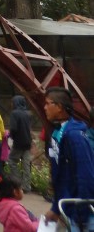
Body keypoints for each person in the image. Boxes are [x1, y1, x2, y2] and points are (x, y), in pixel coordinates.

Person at [43, 87, 94, 231]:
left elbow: (85, 175)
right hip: (70, 209)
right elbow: (59, 177)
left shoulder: (75, 136)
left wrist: (82, 215)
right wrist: (56, 208)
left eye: (48, 103)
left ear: (59, 107)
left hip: (83, 215)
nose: (44, 107)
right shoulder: (57, 133)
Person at [8, 95, 34, 193]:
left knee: (12, 161)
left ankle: (16, 183)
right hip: (28, 141)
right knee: (26, 164)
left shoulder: (14, 113)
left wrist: (12, 136)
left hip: (18, 142)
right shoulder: (28, 113)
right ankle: (26, 186)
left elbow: (13, 128)